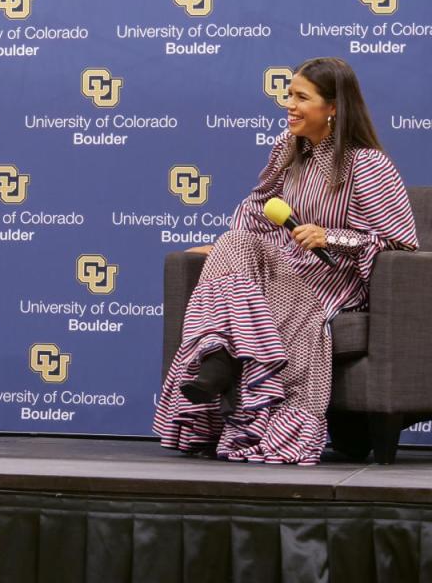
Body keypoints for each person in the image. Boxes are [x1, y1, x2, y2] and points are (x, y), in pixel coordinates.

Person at [154, 57, 418, 465]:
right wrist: (225, 248)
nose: (288, 105)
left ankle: (222, 361)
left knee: (237, 251)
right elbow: (257, 205)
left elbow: (400, 244)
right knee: (233, 240)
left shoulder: (365, 163)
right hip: (287, 266)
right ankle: (219, 357)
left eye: (301, 97)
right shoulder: (288, 148)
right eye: (288, 95)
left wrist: (330, 235)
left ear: (333, 107)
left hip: (332, 278)